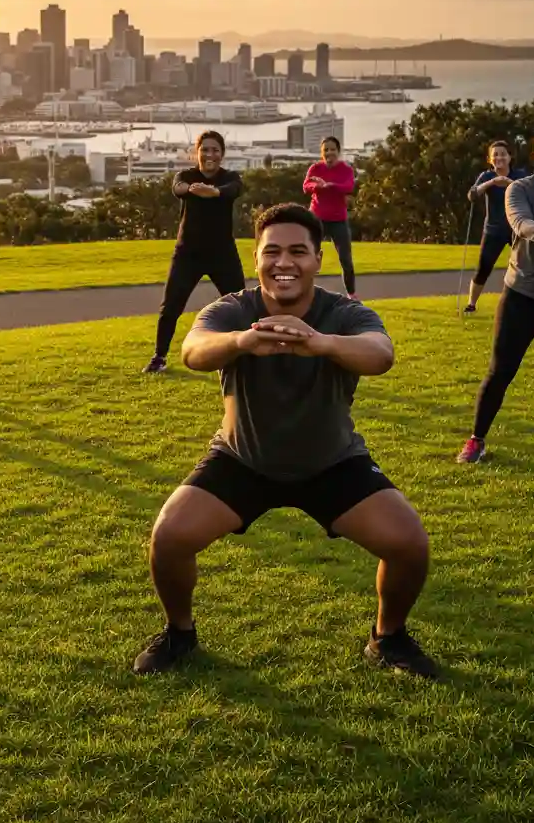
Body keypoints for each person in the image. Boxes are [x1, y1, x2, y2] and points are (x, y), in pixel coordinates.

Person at [132, 202, 439, 679]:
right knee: (170, 537)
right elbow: (193, 351)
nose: (284, 262)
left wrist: (320, 342)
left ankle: (389, 638)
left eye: (298, 251)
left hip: (331, 462)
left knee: (409, 545)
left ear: (318, 258)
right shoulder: (234, 308)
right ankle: (179, 633)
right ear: (256, 259)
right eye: (271, 251)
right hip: (243, 460)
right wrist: (241, 342)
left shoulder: (343, 312)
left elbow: (381, 354)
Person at [457, 122, 534, 464]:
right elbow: (522, 224)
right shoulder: (520, 190)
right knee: (501, 371)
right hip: (522, 294)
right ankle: (476, 440)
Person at [143, 130, 245, 374]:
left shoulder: (229, 177)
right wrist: (193, 189)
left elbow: (235, 189)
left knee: (242, 305)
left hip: (222, 254)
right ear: (196, 153)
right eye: (205, 149)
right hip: (188, 253)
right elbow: (177, 188)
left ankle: (248, 355)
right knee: (170, 307)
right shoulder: (186, 176)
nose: (210, 155)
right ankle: (159, 357)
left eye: (215, 150)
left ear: (222, 154)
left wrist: (215, 192)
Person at [463, 140, 529, 313]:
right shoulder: (486, 176)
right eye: (495, 155)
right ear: (490, 160)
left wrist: (508, 183)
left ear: (510, 157)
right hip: (493, 230)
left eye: (503, 154)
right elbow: (472, 195)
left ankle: (527, 307)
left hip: (518, 230)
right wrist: (492, 183)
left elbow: (531, 193)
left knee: (525, 268)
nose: (499, 157)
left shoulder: (520, 175)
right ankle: (471, 305)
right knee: (483, 268)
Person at [303, 136, 357, 299]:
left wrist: (329, 186)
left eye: (332, 149)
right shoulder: (315, 168)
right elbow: (306, 186)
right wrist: (317, 186)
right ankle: (304, 291)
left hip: (338, 220)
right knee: (308, 255)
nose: (329, 152)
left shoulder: (346, 170)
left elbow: (349, 186)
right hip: (317, 218)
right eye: (326, 149)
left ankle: (352, 295)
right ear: (322, 152)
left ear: (338, 151)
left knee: (345, 259)